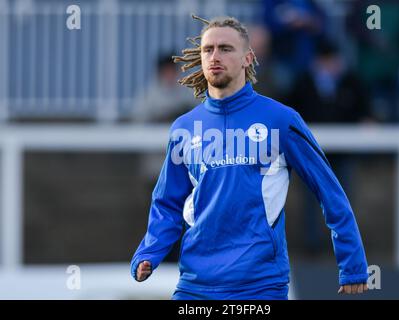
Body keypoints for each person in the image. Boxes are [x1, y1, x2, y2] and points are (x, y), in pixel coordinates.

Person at [130, 15, 369, 300]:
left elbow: (329, 191)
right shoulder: (183, 128)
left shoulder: (281, 120)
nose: (215, 56)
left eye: (226, 48)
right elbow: (167, 202)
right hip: (196, 287)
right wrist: (150, 251)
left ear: (248, 58)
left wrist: (352, 262)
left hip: (260, 287)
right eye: (208, 49)